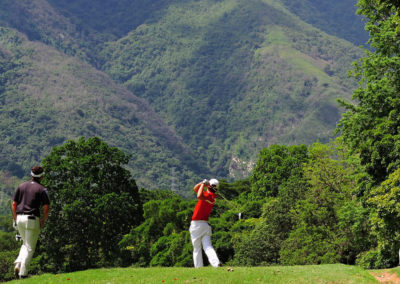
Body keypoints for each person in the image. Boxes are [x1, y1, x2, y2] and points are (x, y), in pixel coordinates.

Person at [12, 166, 50, 279]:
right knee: (30, 248)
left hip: (19, 218)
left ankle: (18, 263)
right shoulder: (42, 189)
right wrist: (43, 220)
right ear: (41, 176)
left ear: (31, 175)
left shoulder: (21, 186)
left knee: (25, 243)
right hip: (32, 219)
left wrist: (15, 219)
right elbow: (47, 206)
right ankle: (23, 274)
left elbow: (14, 204)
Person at [189, 178, 221, 268]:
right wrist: (202, 183)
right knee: (207, 246)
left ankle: (198, 267)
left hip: (196, 225)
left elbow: (198, 195)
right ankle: (216, 264)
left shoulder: (207, 195)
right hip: (205, 225)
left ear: (209, 186)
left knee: (197, 248)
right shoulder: (213, 196)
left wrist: (203, 184)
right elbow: (195, 189)